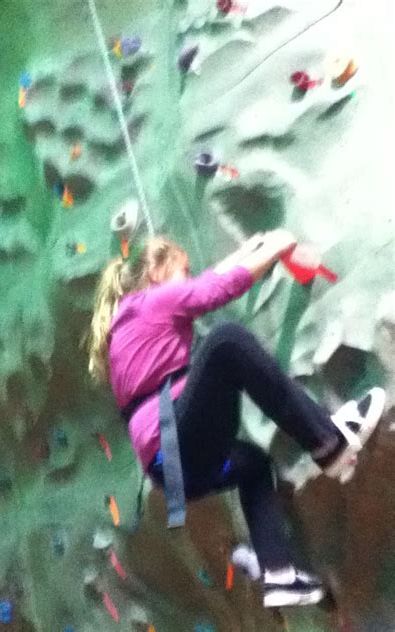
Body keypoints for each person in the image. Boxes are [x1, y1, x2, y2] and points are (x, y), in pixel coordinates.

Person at [87, 231, 386, 608]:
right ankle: (329, 442)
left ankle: (279, 574)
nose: (189, 276)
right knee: (226, 342)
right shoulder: (151, 302)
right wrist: (278, 244)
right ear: (157, 273)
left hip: (173, 470)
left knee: (253, 466)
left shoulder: (128, 322)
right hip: (177, 435)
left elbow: (207, 282)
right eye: (184, 269)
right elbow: (216, 290)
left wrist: (250, 251)